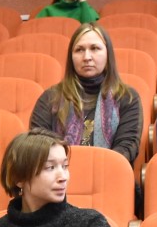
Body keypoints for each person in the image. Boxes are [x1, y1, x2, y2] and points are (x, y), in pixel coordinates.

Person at [30, 22, 142, 165]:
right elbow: (38, 147)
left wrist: (94, 171)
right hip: (58, 174)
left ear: (108, 54)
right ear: (71, 57)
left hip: (109, 172)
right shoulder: (50, 98)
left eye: (95, 48)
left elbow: (126, 148)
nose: (87, 57)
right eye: (79, 50)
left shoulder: (127, 97)